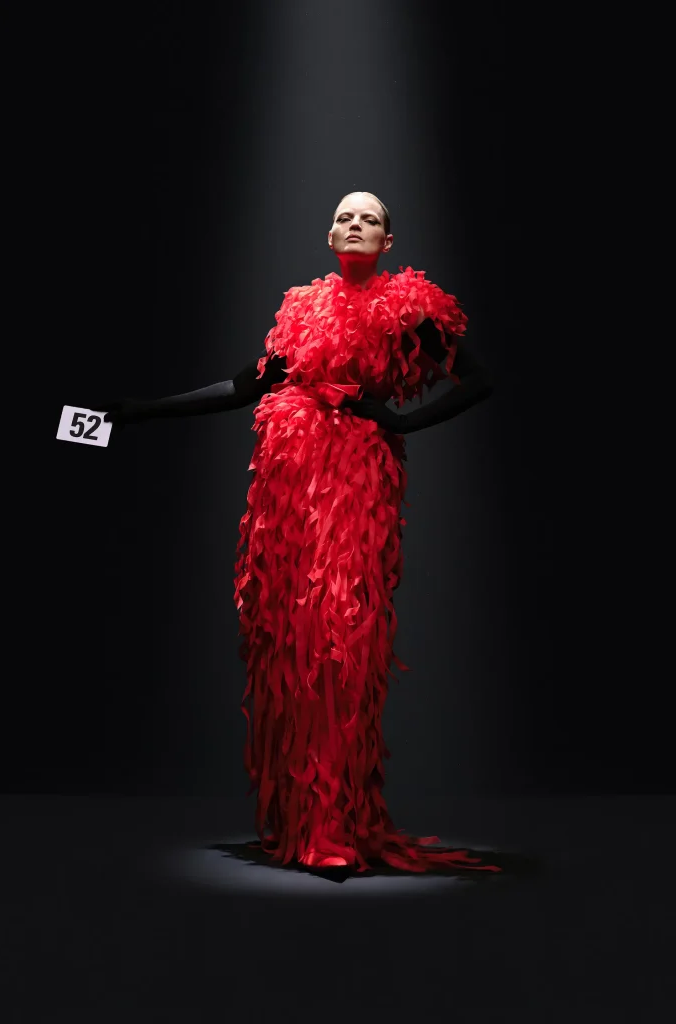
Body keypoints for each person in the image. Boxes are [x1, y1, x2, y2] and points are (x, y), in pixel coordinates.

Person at [98, 191, 500, 878]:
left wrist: (400, 422)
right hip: (284, 499)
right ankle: (299, 822)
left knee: (339, 645)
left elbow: (476, 380)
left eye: (369, 218)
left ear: (388, 241)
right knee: (288, 645)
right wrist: (138, 411)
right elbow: (244, 386)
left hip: (354, 489)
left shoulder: (408, 310)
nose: (355, 224)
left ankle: (336, 824)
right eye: (345, 216)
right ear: (329, 235)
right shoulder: (304, 310)